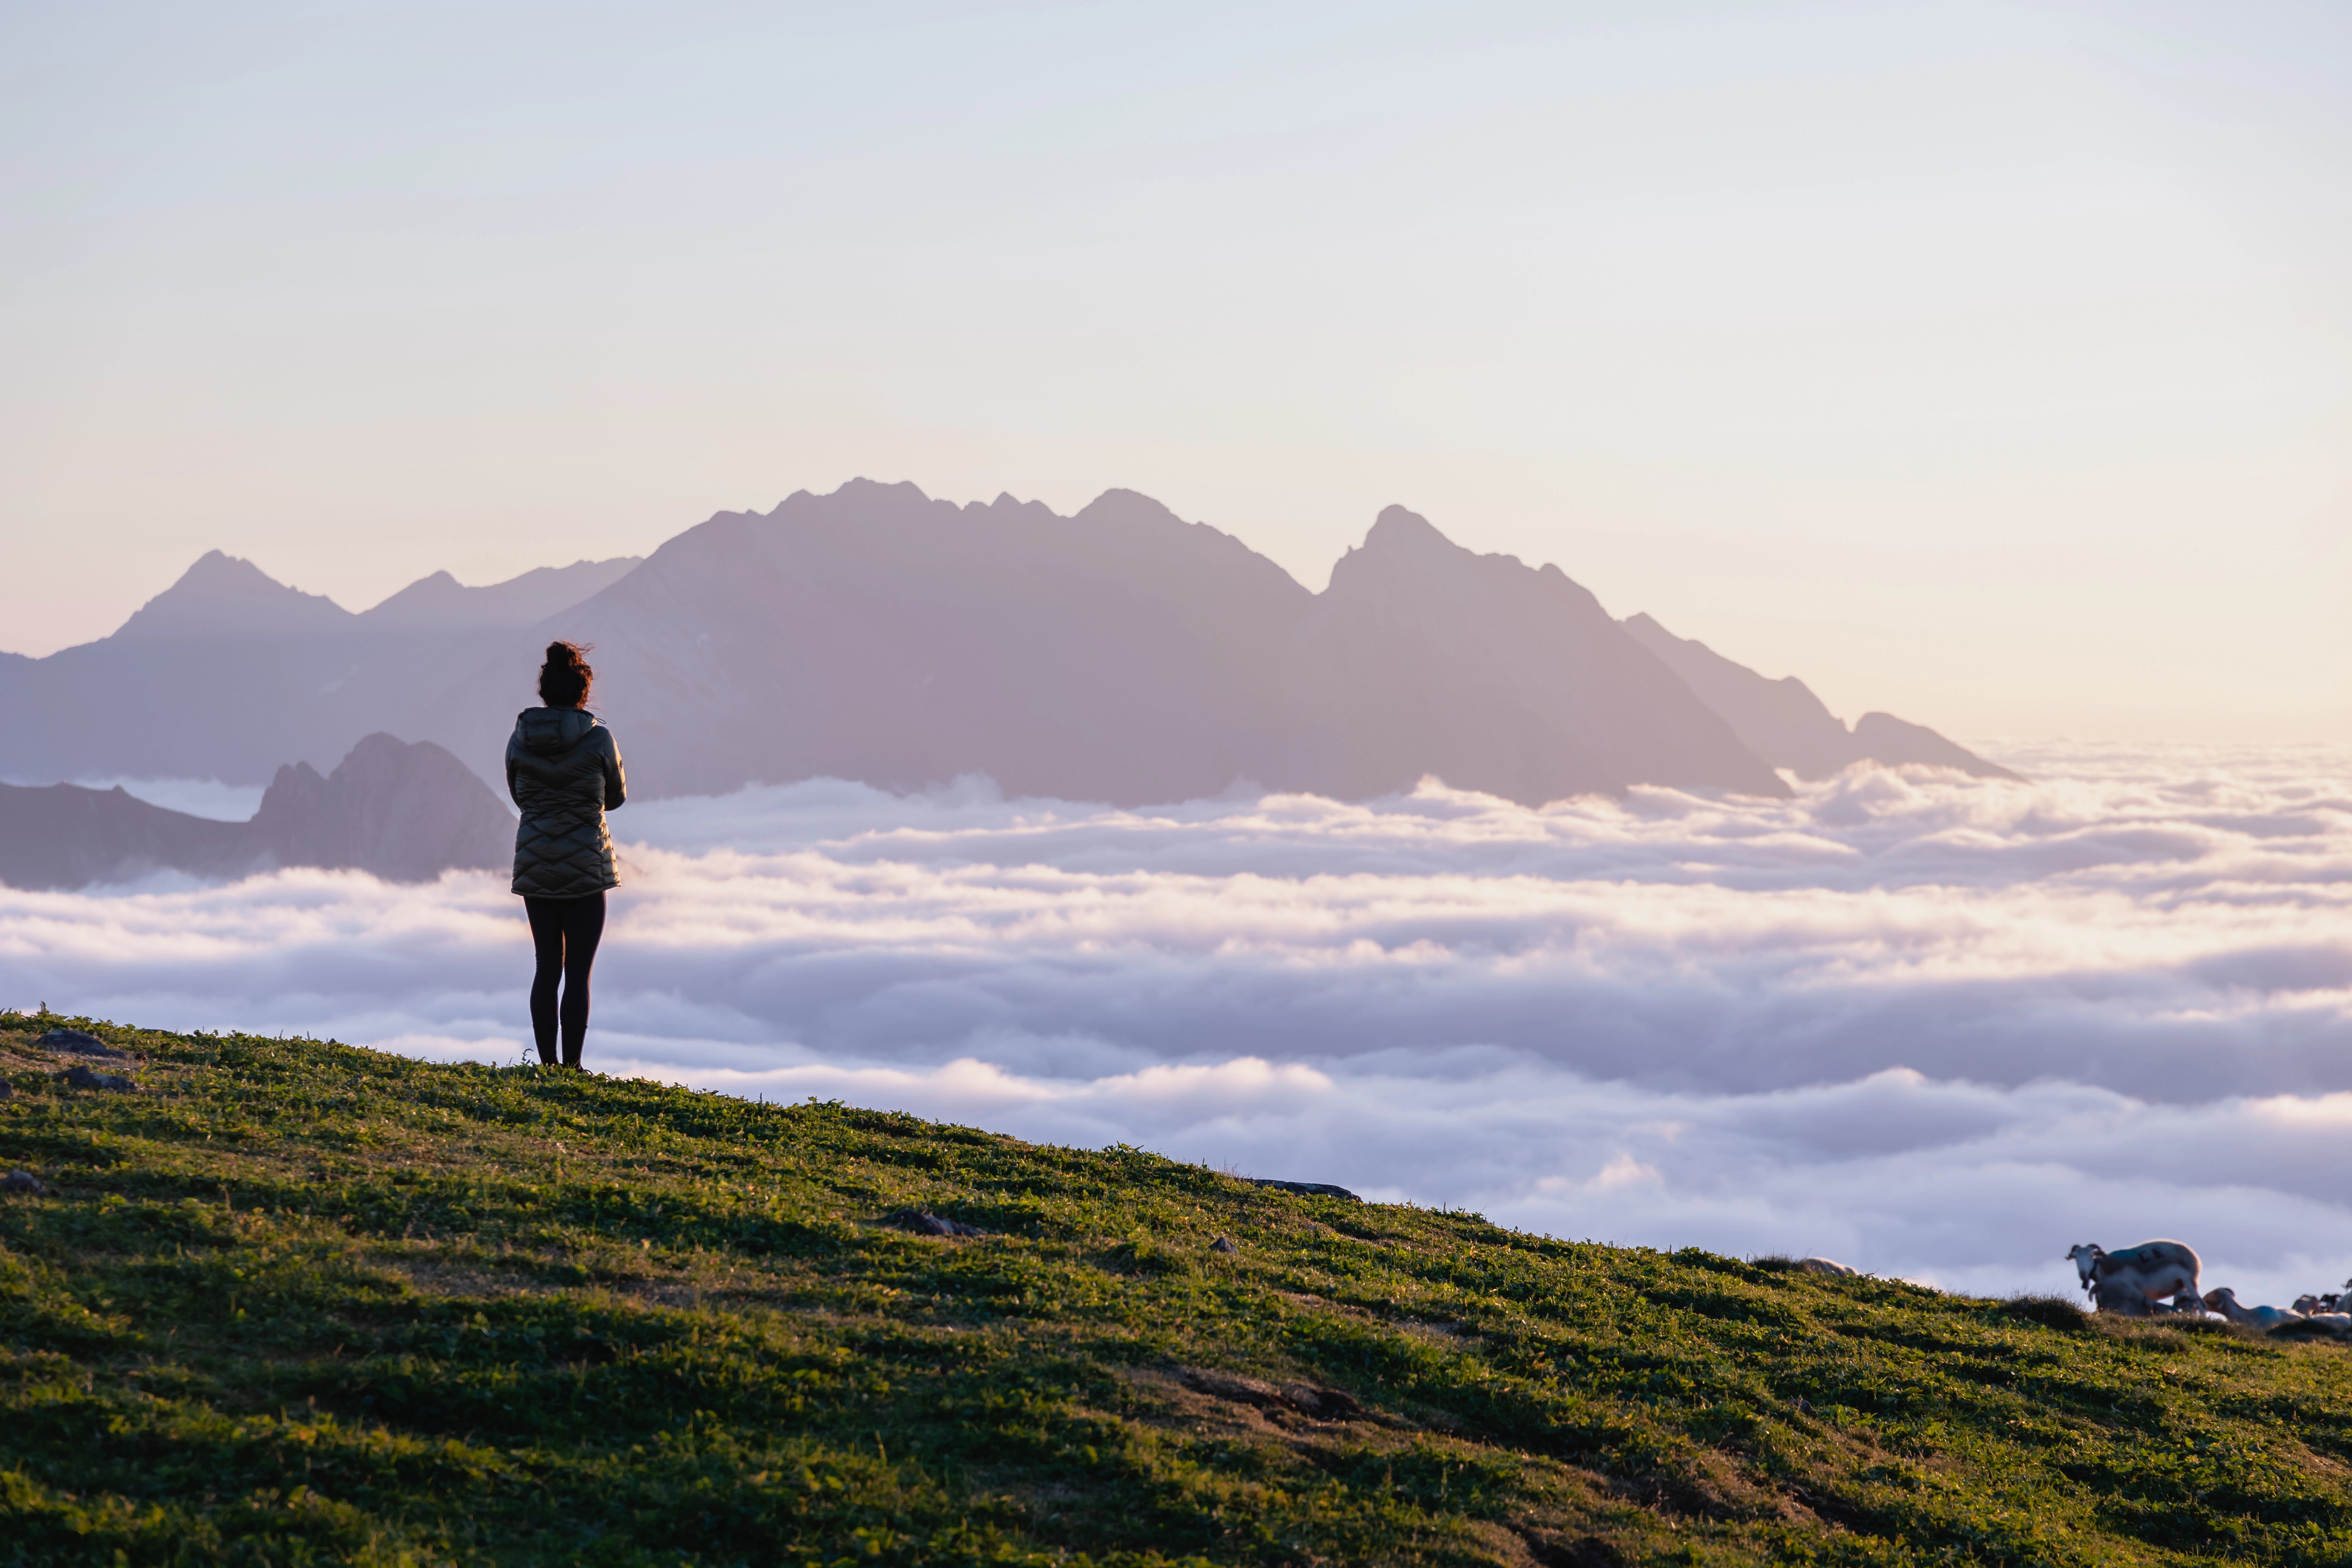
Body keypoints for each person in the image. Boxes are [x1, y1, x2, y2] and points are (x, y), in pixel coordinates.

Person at [506, 641, 626, 1068]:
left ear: (544, 691)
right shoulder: (599, 739)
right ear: (583, 692)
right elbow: (616, 797)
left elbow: (520, 796)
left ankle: (547, 1064)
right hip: (586, 866)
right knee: (578, 972)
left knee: (546, 967)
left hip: (536, 864)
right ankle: (572, 1069)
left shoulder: (519, 740)